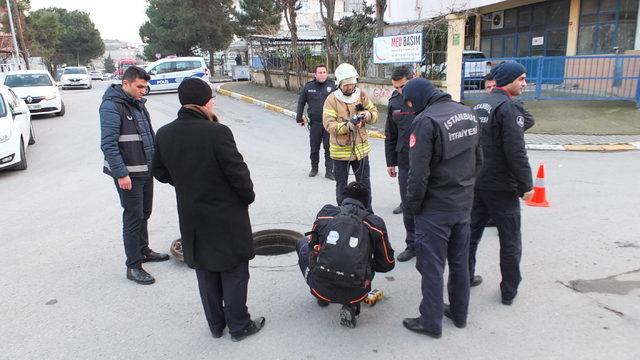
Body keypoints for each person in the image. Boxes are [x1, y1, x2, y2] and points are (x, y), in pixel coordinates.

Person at [151, 78, 265, 342]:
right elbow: (237, 173)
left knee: (205, 269)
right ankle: (239, 325)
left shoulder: (165, 133)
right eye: (211, 98)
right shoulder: (217, 132)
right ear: (204, 101)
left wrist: (185, 183)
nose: (214, 102)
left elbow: (158, 170)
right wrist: (246, 196)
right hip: (225, 215)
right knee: (234, 269)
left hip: (192, 215)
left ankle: (216, 324)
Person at [401, 78, 482, 338]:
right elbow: (479, 160)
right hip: (463, 204)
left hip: (435, 209)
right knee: (460, 263)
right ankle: (459, 314)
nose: (412, 108)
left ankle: (431, 322)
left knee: (431, 266)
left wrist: (412, 209)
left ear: (418, 97)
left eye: (411, 103)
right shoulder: (467, 112)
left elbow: (417, 175)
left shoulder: (425, 122)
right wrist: (465, 188)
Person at [469, 61, 534, 304]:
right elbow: (516, 152)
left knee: (470, 235)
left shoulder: (480, 105)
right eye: (521, 79)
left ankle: (464, 277)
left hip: (477, 182)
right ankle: (509, 290)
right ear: (508, 80)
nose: (524, 83)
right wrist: (526, 185)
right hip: (501, 188)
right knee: (510, 240)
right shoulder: (509, 107)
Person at [100, 66, 169, 285]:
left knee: (144, 213)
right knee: (133, 217)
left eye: (145, 87)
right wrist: (121, 174)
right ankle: (133, 266)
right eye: (139, 86)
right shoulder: (111, 106)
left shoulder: (137, 104)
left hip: (145, 170)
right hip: (128, 175)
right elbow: (108, 144)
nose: (143, 90)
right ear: (126, 83)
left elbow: (148, 135)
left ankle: (143, 251)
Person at [296, 182, 395, 328]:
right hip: (358, 291)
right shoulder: (375, 223)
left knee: (302, 243)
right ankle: (350, 305)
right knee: (366, 262)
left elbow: (313, 246)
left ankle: (322, 297)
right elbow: (386, 264)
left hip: (320, 287)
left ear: (343, 198)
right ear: (367, 201)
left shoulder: (326, 213)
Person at [482, 72, 535, 229]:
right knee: (509, 236)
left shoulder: (511, 104)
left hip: (491, 178)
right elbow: (516, 151)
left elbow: (515, 149)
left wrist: (511, 130)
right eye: (488, 87)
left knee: (473, 234)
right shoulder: (486, 105)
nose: (491, 89)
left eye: (493, 86)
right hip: (493, 179)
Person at [323, 63, 378, 209]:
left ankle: (367, 214)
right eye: (346, 85)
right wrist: (348, 126)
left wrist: (367, 115)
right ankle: (344, 214)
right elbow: (329, 125)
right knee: (342, 186)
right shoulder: (331, 100)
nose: (350, 88)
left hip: (361, 152)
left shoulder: (361, 95)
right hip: (340, 154)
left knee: (364, 185)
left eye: (352, 84)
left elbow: (374, 113)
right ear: (339, 84)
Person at [384, 66, 417, 262]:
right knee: (408, 205)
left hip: (428, 163)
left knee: (426, 206)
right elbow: (390, 135)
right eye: (396, 87)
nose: (400, 91)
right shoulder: (394, 102)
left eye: (403, 86)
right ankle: (411, 244)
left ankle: (426, 245)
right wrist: (391, 162)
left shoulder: (427, 99)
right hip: (404, 161)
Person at [296, 64, 336, 179]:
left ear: (327, 73)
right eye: (320, 72)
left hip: (329, 124)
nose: (322, 74)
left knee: (329, 149)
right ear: (315, 74)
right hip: (315, 124)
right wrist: (299, 117)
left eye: (324, 72)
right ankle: (314, 168)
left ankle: (329, 172)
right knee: (314, 148)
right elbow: (301, 102)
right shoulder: (309, 87)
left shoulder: (333, 86)